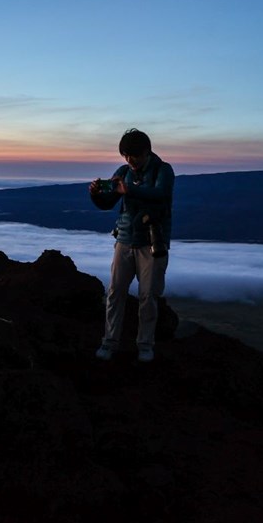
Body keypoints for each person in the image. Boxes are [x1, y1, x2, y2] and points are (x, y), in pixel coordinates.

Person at [88, 128, 174, 363]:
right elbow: (108, 203)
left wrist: (131, 189)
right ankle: (109, 342)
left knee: (148, 296)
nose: (129, 160)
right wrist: (96, 194)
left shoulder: (163, 170)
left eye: (133, 155)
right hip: (124, 240)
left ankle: (145, 345)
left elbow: (160, 195)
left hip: (151, 242)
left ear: (146, 151)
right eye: (125, 156)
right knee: (115, 292)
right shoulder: (124, 172)